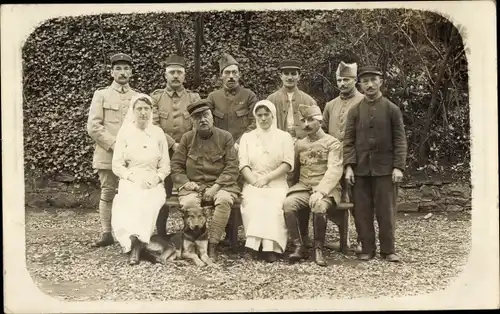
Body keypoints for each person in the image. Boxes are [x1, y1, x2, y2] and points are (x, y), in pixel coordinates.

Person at [343, 65, 407, 263]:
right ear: (359, 84)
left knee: (386, 211)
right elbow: (348, 141)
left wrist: (398, 166)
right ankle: (367, 248)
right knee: (362, 211)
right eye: (365, 81)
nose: (369, 85)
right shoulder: (354, 111)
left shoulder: (392, 109)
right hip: (361, 170)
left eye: (373, 80)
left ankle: (388, 250)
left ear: (381, 82)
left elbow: (400, 140)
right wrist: (349, 166)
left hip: (385, 170)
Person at [170, 99, 240, 260]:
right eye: (197, 117)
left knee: (224, 200)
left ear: (212, 117)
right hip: (194, 186)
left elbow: (232, 166)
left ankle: (212, 244)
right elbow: (176, 166)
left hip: (221, 185)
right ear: (192, 121)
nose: (203, 120)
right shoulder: (187, 138)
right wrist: (186, 182)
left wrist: (216, 187)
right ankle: (191, 244)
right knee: (189, 204)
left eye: (206, 115)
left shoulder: (225, 137)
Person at [110, 94, 171, 265]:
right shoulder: (125, 133)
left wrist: (157, 179)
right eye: (139, 109)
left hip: (153, 180)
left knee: (149, 200)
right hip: (131, 178)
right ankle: (139, 246)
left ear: (151, 111)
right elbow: (117, 165)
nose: (143, 112)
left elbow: (165, 165)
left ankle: (137, 248)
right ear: (133, 111)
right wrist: (132, 177)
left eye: (146, 109)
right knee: (129, 199)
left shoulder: (158, 133)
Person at [87, 53, 138, 247]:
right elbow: (93, 126)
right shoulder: (101, 95)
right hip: (107, 153)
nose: (122, 72)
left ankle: (131, 234)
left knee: (131, 194)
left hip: (132, 157)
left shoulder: (137, 97)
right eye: (118, 68)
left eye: (126, 69)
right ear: (111, 72)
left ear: (131, 72)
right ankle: (106, 233)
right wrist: (115, 144)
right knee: (108, 193)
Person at [282, 105, 343, 266]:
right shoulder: (300, 144)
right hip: (303, 187)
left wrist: (321, 191)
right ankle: (299, 246)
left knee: (318, 206)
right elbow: (294, 172)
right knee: (288, 204)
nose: (306, 125)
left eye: (311, 120)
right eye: (303, 121)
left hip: (326, 190)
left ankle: (318, 249)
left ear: (320, 121)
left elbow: (334, 170)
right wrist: (289, 189)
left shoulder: (333, 143)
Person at [207, 53, 258, 243]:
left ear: (239, 75)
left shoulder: (249, 96)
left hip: (242, 150)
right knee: (223, 187)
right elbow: (208, 122)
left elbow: (255, 122)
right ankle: (222, 232)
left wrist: (240, 142)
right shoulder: (213, 97)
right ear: (221, 76)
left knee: (239, 188)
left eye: (234, 72)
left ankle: (235, 235)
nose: (231, 76)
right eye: (227, 72)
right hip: (217, 152)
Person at [266, 59, 318, 247]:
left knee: (300, 187)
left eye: (293, 73)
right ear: (280, 76)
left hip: (302, 150)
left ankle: (302, 235)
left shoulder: (307, 100)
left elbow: (318, 125)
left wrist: (301, 135)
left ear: (299, 76)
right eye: (286, 73)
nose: (290, 77)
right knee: (280, 189)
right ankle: (280, 235)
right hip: (278, 151)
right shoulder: (271, 100)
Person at [150, 55, 201, 238]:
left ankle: (189, 233)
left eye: (179, 72)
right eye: (172, 72)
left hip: (188, 156)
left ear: (184, 76)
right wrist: (173, 144)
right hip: (163, 155)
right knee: (162, 195)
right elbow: (153, 126)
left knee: (190, 194)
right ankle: (162, 234)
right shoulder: (155, 98)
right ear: (165, 75)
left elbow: (198, 124)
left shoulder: (193, 98)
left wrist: (183, 145)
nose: (175, 76)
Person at [238, 100, 294, 263]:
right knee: (255, 201)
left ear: (273, 115)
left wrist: (268, 179)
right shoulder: (247, 137)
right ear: (255, 116)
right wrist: (255, 181)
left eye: (266, 114)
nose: (263, 118)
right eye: (259, 115)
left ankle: (271, 247)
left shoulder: (284, 137)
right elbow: (243, 164)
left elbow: (287, 163)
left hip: (276, 182)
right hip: (253, 181)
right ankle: (253, 246)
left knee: (273, 204)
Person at [322, 61, 365, 253]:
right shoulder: (330, 105)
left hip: (357, 160)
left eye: (346, 80)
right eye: (339, 80)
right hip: (334, 161)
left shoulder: (364, 101)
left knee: (358, 200)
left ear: (355, 80)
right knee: (334, 198)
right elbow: (322, 132)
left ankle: (363, 240)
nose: (342, 83)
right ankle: (343, 240)